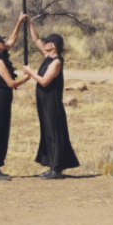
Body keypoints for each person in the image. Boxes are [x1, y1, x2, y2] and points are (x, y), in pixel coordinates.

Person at [21, 22, 80, 179]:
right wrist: (29, 23)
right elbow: (35, 39)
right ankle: (52, 165)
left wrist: (30, 71)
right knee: (47, 131)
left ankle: (57, 168)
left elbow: (44, 81)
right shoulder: (48, 56)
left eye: (47, 42)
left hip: (52, 101)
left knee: (54, 132)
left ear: (53, 46)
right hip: (43, 100)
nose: (44, 43)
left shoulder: (56, 62)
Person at [0, 15, 30, 180]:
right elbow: (10, 83)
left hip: (1, 99)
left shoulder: (1, 54)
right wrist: (26, 78)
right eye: (1, 41)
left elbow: (12, 39)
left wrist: (19, 22)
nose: (5, 42)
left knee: (1, 131)